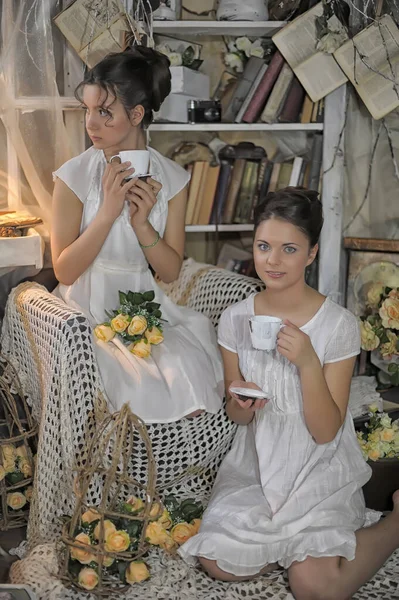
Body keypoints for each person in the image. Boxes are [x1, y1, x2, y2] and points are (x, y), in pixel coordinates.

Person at [180, 187, 399, 599]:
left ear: (312, 254)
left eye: (289, 249)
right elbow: (239, 416)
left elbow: (325, 432)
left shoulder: (338, 325)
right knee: (217, 561)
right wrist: (241, 402)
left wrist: (308, 363)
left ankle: (396, 523)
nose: (273, 261)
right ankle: (287, 543)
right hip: (259, 463)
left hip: (317, 463)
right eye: (264, 246)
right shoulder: (234, 320)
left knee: (315, 587)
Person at [50, 46, 224, 423]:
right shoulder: (73, 176)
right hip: (87, 304)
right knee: (134, 386)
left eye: (104, 112)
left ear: (137, 114)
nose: (91, 124)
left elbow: (171, 271)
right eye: (88, 111)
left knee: (189, 375)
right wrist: (108, 212)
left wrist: (143, 225)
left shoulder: (174, 179)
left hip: (145, 302)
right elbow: (64, 271)